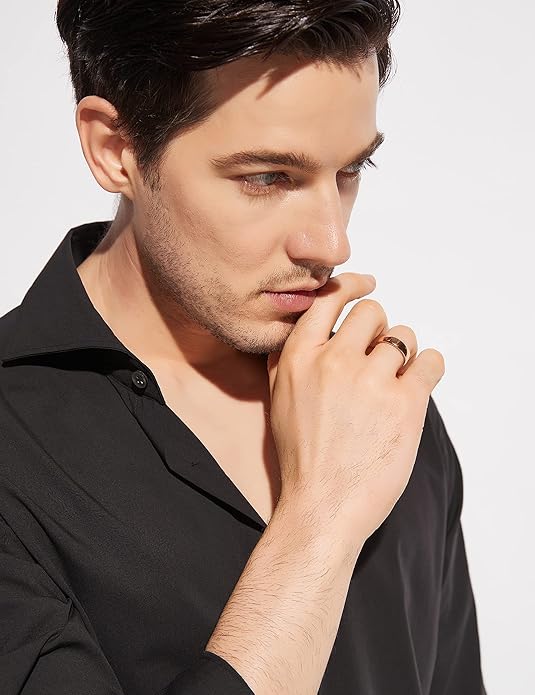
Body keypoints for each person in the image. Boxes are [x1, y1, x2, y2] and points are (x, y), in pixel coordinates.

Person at [0, 1, 486, 693]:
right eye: (267, 177)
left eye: (350, 171)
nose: (331, 243)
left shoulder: (378, 399)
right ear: (115, 149)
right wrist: (319, 521)